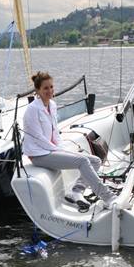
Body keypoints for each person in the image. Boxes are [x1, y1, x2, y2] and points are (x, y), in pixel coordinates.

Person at [22, 71, 116, 210]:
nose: (50, 91)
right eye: (46, 88)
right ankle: (108, 197)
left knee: (95, 160)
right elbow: (38, 138)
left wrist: (61, 148)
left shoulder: (52, 105)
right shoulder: (32, 109)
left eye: (51, 87)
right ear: (38, 91)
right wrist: (58, 150)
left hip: (51, 150)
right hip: (39, 154)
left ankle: (76, 191)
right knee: (82, 161)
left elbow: (55, 132)